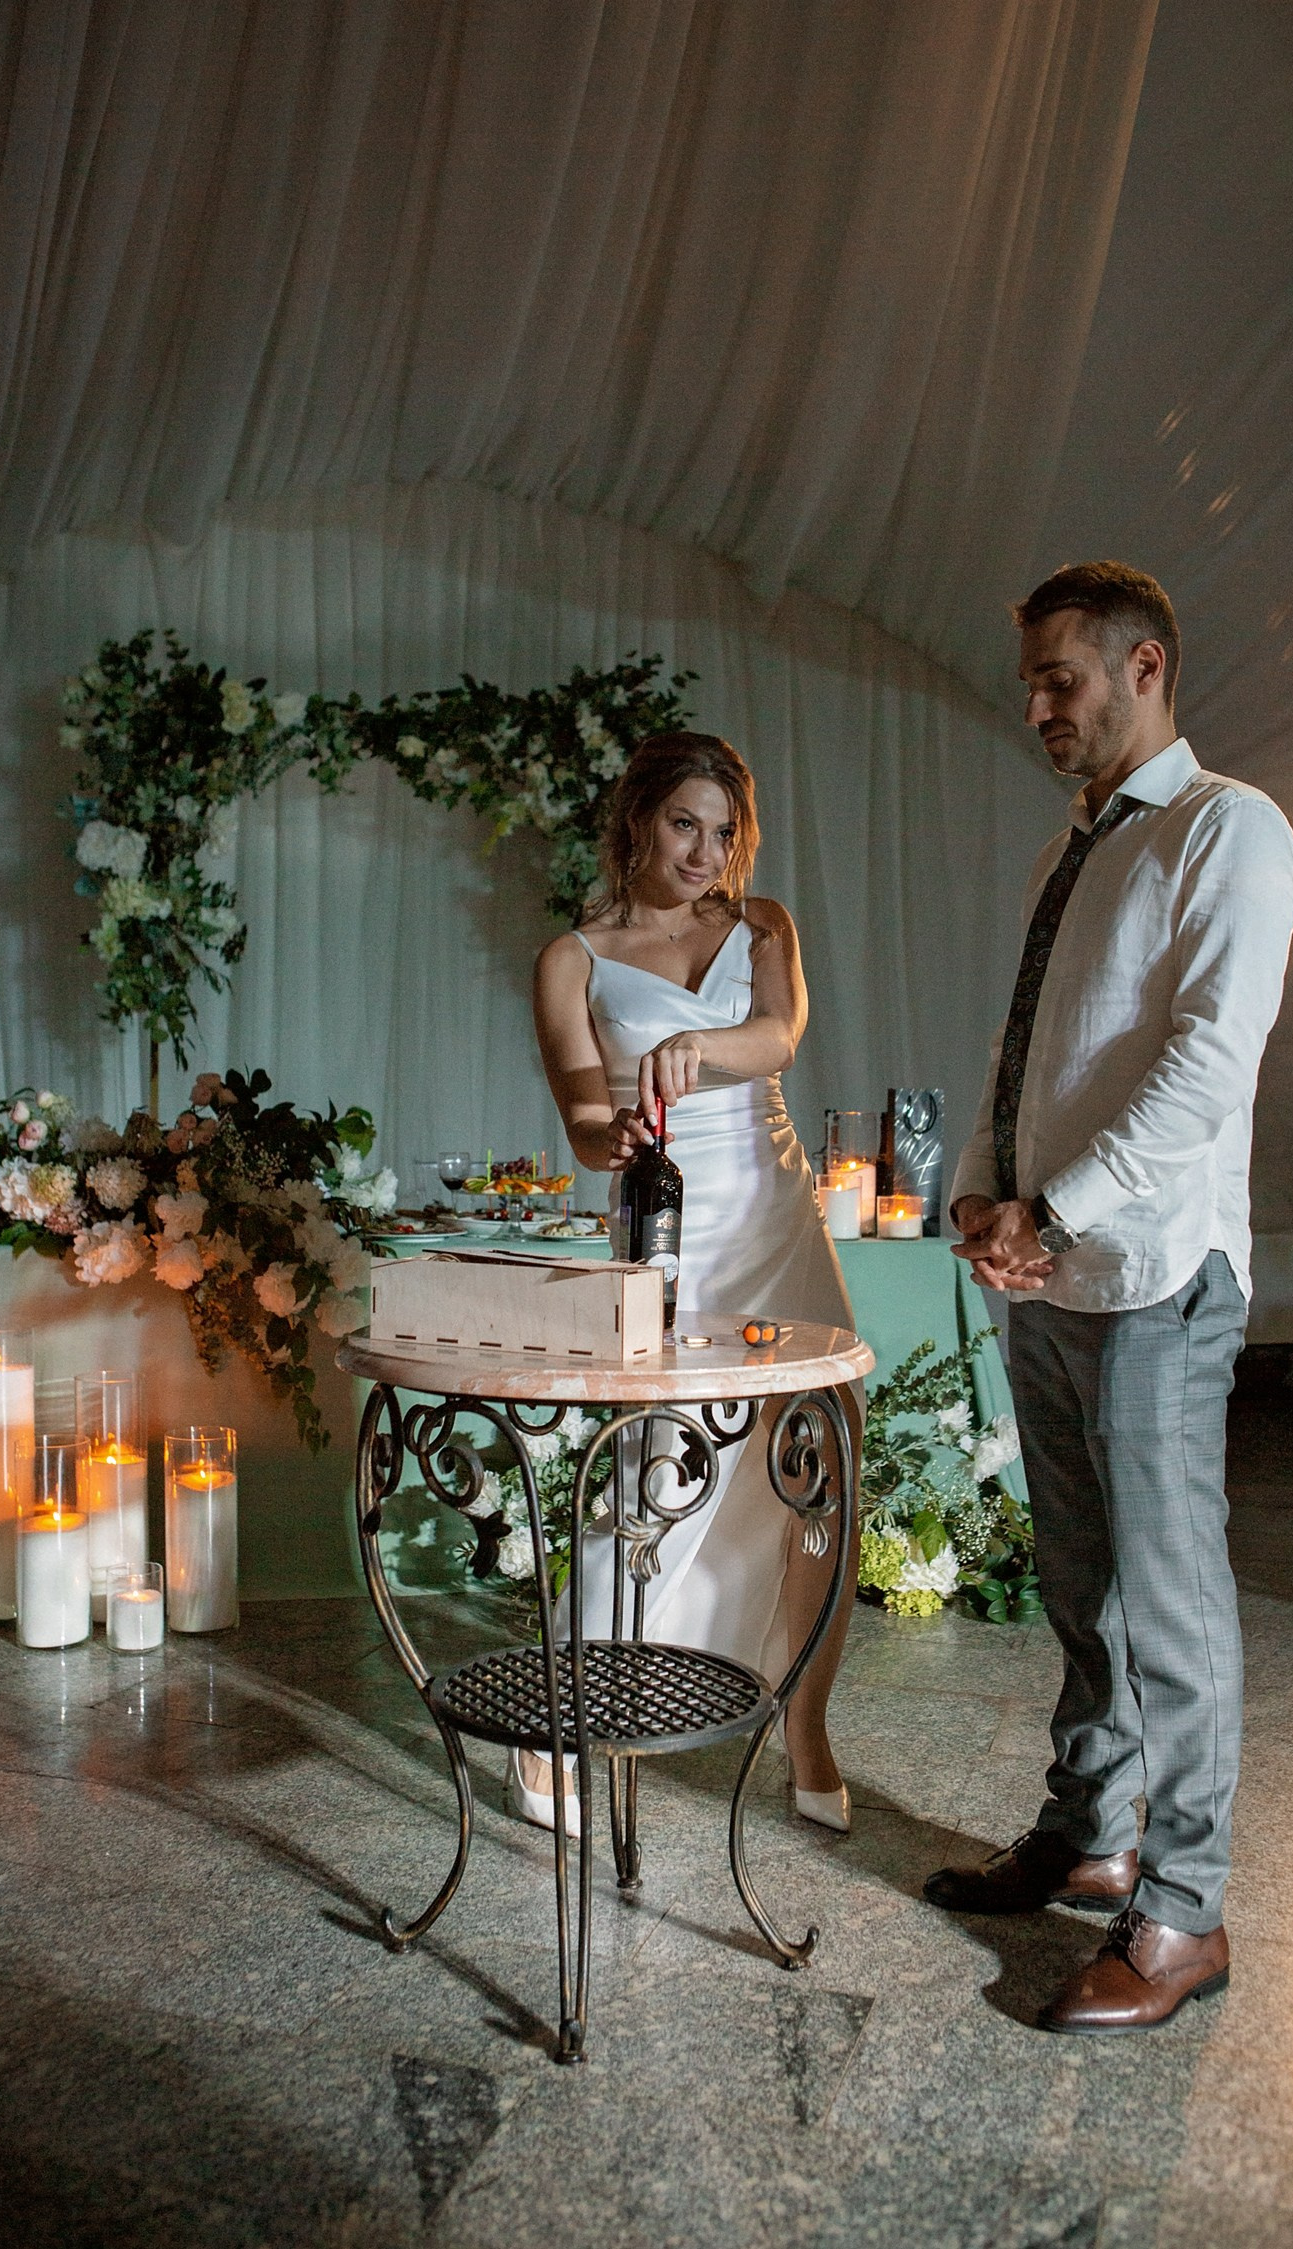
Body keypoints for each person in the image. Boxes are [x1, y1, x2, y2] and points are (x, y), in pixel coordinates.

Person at [924, 562, 1293, 2036]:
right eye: (1030, 681)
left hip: (1157, 1279)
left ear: (1145, 667)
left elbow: (1209, 1064)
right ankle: (1092, 1832)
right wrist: (981, 1189)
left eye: (1059, 679)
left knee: (1172, 1605)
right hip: (1053, 1272)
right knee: (1080, 1584)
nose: (1037, 706)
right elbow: (1026, 1045)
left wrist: (1057, 1206)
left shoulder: (1231, 828)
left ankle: (1185, 1911)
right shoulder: (1071, 845)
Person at [528, 729, 859, 1838]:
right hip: (667, 1229)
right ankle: (554, 1723)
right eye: (685, 823)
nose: (706, 852)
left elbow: (778, 1035)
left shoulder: (762, 926)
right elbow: (583, 1116)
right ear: (637, 820)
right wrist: (611, 1130)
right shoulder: (572, 958)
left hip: (776, 1220)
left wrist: (696, 1051)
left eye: (724, 832)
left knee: (820, 1468)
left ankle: (806, 1727)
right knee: (656, 1469)